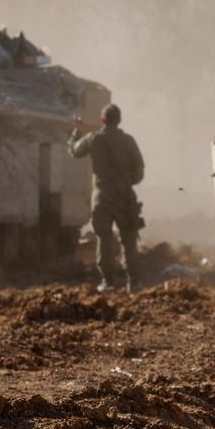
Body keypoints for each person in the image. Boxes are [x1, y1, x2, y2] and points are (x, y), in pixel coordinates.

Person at [69, 104, 145, 292]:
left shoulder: (93, 139)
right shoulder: (128, 141)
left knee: (104, 238)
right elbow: (139, 172)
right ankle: (133, 282)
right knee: (129, 239)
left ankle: (108, 281)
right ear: (119, 120)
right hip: (124, 195)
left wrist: (76, 131)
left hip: (102, 196)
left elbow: (75, 151)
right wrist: (126, 183)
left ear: (102, 120)